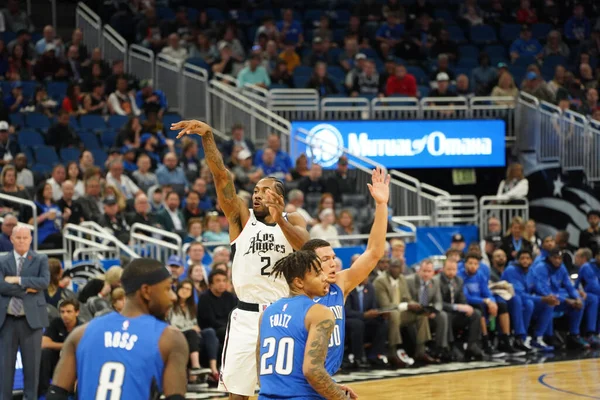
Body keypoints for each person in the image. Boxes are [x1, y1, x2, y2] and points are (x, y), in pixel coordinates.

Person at [171, 119, 310, 400]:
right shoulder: (241, 218)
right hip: (246, 314)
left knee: (290, 392)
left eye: (264, 191)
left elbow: (306, 248)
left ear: (279, 196)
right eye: (255, 191)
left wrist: (280, 221)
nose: (257, 195)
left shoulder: (292, 220)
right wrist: (208, 137)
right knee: (237, 393)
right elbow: (222, 176)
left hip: (282, 313)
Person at [47, 258, 189, 400]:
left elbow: (55, 395)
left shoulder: (80, 334)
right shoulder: (170, 338)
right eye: (168, 288)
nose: (173, 296)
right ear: (146, 291)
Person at [301, 167, 390, 372]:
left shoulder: (339, 284)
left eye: (334, 257)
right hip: (304, 376)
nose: (333, 263)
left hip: (328, 375)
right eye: (326, 259)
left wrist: (381, 205)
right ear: (310, 264)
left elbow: (374, 252)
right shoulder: (297, 291)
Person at [257, 250, 356, 400]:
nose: (325, 278)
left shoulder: (267, 313)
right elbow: (312, 371)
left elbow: (260, 370)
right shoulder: (320, 313)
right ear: (299, 282)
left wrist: (330, 387)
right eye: (317, 274)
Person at [0, 226, 50, 400]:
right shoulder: (1, 260)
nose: (21, 241)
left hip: (32, 322)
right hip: (6, 321)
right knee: (5, 370)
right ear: (12, 239)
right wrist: (27, 288)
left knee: (32, 369)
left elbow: (44, 282)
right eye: (18, 237)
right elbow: (0, 286)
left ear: (30, 239)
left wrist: (17, 280)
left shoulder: (41, 259)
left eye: (25, 238)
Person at [435, 258, 483, 360]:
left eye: (454, 269)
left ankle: (472, 344)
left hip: (455, 313)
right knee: (445, 315)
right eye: (449, 269)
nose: (451, 272)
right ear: (443, 269)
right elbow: (438, 303)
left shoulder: (459, 280)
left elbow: (462, 300)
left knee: (476, 313)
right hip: (443, 312)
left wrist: (466, 307)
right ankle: (450, 346)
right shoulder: (437, 281)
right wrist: (456, 307)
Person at [39, 298, 82, 395]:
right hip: (56, 363)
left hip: (73, 366)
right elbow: (44, 343)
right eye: (62, 312)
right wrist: (68, 346)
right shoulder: (56, 323)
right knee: (44, 352)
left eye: (69, 311)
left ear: (77, 312)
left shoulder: (82, 327)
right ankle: (44, 391)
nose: (65, 315)